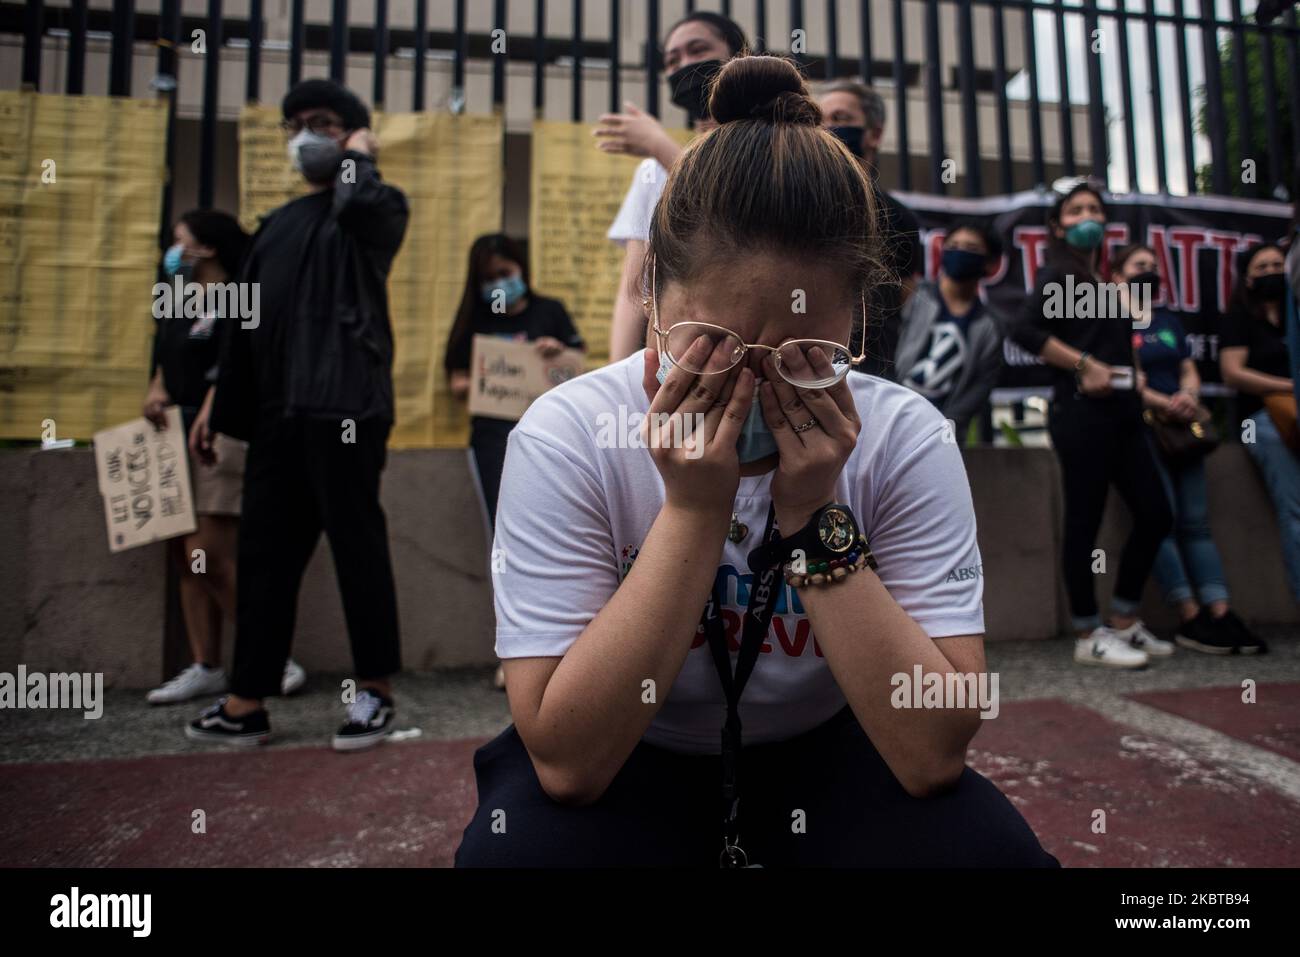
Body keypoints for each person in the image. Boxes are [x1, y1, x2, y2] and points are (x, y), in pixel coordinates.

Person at [456, 55, 1058, 868]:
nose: (756, 382)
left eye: (806, 354)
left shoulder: (905, 435)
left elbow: (932, 749)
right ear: (656, 299)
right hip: (636, 749)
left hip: (831, 742)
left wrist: (813, 519)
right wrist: (695, 512)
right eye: (715, 346)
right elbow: (565, 760)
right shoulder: (567, 432)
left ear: (857, 332)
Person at [185, 79, 409, 751]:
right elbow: (244, 324)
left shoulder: (373, 205)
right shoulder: (277, 225)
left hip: (347, 408)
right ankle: (245, 701)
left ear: (353, 135)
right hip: (278, 417)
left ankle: (375, 693)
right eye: (296, 125)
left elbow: (362, 199)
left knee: (356, 550)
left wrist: (360, 157)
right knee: (264, 559)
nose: (306, 135)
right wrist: (214, 404)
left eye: (324, 123)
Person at [1006, 181, 1173, 669]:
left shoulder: (1102, 282)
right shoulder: (1059, 272)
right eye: (1076, 210)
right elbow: (1024, 330)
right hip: (1081, 415)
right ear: (1058, 225)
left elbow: (1122, 352)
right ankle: (1086, 633)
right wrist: (1083, 365)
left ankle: (1123, 618)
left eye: (1094, 209)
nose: (1087, 216)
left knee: (1156, 513)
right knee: (1084, 522)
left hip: (1124, 415)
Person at [143, 210, 307, 703]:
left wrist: (212, 414)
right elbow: (164, 357)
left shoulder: (242, 297)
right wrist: (155, 391)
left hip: (221, 435)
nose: (174, 250)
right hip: (173, 430)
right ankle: (205, 663)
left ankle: (267, 657)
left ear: (208, 247)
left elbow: (243, 364)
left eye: (181, 240)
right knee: (183, 554)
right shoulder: (176, 297)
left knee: (208, 553)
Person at [1117, 243, 1265, 654]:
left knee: (1196, 524)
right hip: (1145, 431)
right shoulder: (1113, 319)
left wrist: (1186, 397)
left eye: (1151, 266)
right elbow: (1132, 376)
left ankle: (1219, 612)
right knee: (1161, 520)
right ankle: (1189, 616)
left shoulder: (1169, 321)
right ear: (1116, 277)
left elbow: (1188, 369)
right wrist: (1166, 405)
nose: (1147, 272)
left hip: (1185, 431)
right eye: (1137, 266)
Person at [598, 11, 748, 362]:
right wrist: (622, 378)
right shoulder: (654, 172)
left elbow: (739, 212)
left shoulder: (775, 146)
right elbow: (635, 289)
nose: (684, 65)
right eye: (672, 59)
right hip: (674, 359)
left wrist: (659, 146)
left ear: (737, 56)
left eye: (697, 50)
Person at [445, 234, 585, 527]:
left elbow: (577, 371)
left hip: (550, 437)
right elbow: (456, 382)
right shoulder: (475, 321)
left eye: (504, 274)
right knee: (503, 522)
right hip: (492, 440)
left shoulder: (550, 312)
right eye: (489, 278)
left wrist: (558, 354)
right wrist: (483, 384)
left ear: (520, 267)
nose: (498, 284)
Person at [817, 79, 922, 379]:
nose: (825, 129)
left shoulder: (900, 218)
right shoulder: (793, 201)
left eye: (839, 119)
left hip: (871, 373)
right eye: (818, 120)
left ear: (874, 134)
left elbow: (904, 294)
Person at [1220, 242, 1300, 606]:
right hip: (1263, 419)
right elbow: (1233, 374)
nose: (1271, 272)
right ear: (1247, 278)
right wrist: (1290, 385)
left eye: (1276, 265)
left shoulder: (1293, 314)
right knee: (1295, 509)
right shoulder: (1240, 318)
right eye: (1262, 267)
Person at [895, 219, 1005, 441]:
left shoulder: (991, 327)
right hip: (893, 414)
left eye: (971, 249)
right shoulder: (914, 296)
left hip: (941, 434)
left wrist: (942, 430)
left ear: (990, 264)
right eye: (953, 246)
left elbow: (978, 389)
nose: (960, 253)